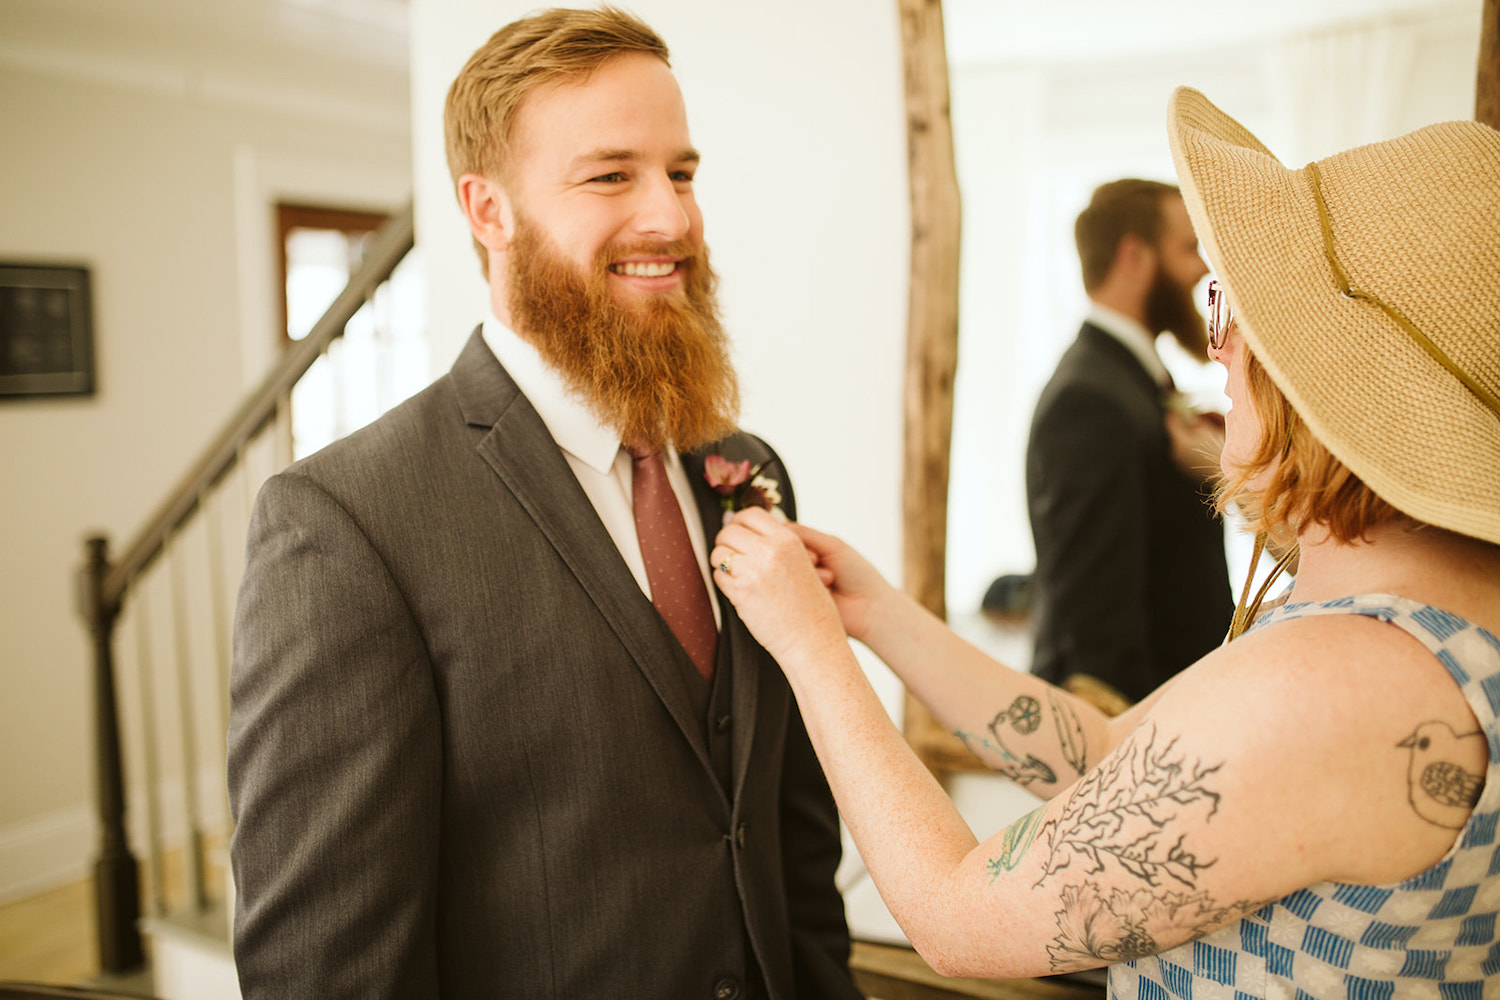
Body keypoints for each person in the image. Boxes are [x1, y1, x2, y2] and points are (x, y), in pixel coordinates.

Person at [710, 86, 1500, 997]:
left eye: (1234, 312)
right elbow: (1108, 755)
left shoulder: (1333, 684)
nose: (1221, 352)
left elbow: (959, 918)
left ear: (1319, 373)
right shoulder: (1423, 619)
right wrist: (876, 615)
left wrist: (809, 646)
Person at [227, 9, 860, 999]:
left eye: (681, 173)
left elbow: (787, 835)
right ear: (489, 210)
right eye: (612, 175)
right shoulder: (346, 525)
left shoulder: (745, 468)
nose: (672, 218)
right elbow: (329, 973)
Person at [1026, 177, 1234, 709]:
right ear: (1134, 255)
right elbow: (1094, 618)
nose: (1203, 267)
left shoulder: (1131, 380)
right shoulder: (1088, 402)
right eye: (1189, 248)